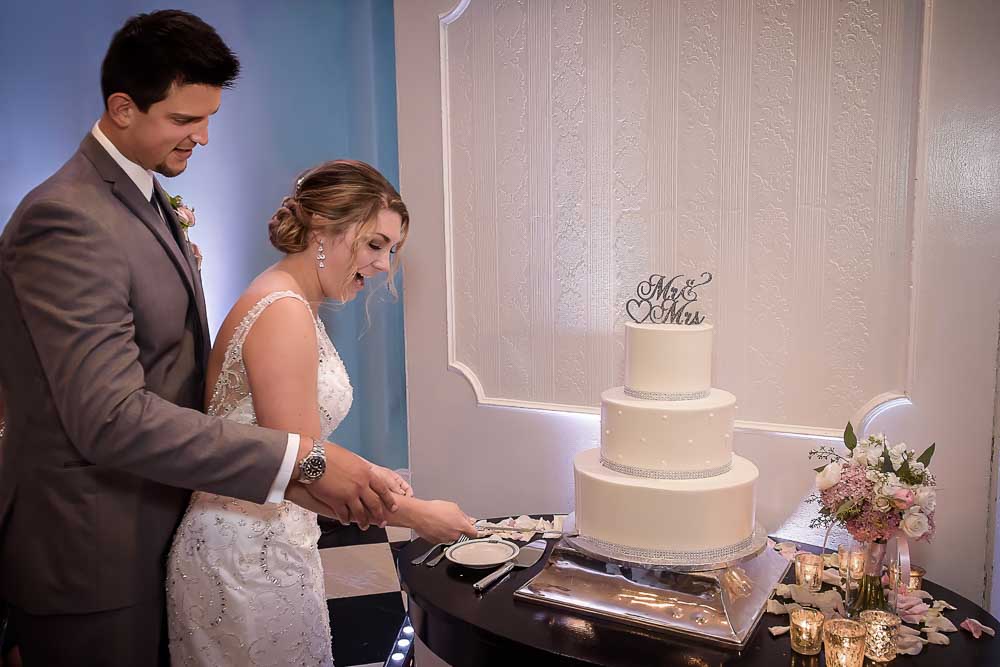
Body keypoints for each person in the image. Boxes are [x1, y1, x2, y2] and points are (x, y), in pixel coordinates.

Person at [0, 11, 401, 666]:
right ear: (122, 108)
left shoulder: (147, 199)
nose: (204, 138)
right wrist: (304, 459)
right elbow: (109, 417)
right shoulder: (66, 217)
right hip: (92, 549)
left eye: (209, 118)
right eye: (186, 120)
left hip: (161, 520)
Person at [165, 159, 477, 665]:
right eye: (375, 244)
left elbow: (295, 443)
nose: (381, 265)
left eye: (391, 250)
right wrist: (421, 516)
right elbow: (303, 470)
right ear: (321, 231)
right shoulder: (283, 311)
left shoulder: (290, 301)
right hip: (243, 556)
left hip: (271, 543)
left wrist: (369, 472)